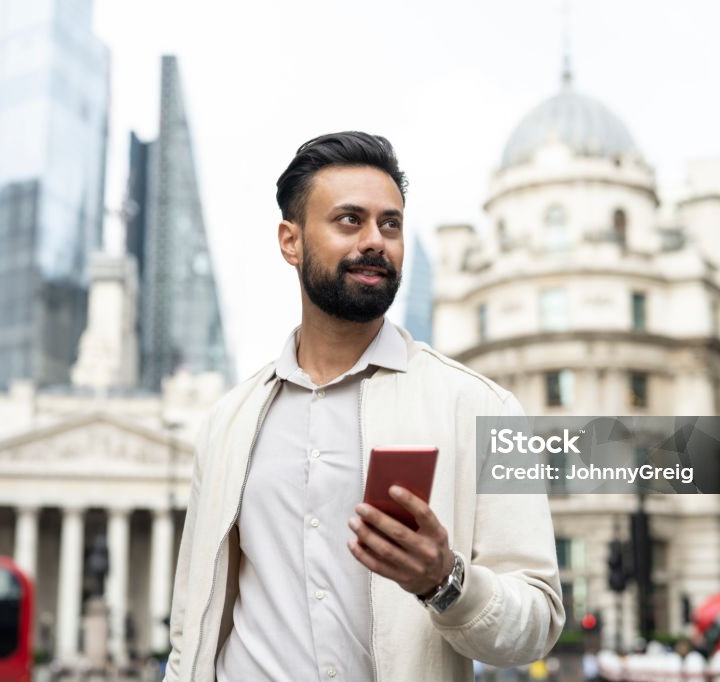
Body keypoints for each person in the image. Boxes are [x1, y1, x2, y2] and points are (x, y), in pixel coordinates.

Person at [164, 131, 564, 682]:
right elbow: (193, 620)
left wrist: (445, 581)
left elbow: (538, 623)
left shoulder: (482, 406)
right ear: (291, 241)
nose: (376, 240)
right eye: (349, 220)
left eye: (390, 223)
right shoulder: (227, 423)